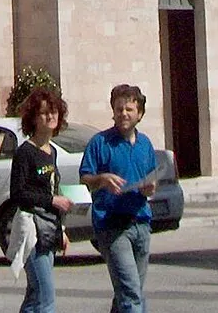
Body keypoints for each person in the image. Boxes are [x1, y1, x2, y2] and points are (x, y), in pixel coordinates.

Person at [79, 84, 158, 313]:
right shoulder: (100, 142)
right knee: (131, 293)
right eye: (119, 109)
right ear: (113, 112)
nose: (124, 113)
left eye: (129, 109)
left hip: (141, 222)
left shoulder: (145, 144)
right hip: (112, 226)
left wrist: (149, 188)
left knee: (129, 292)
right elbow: (85, 177)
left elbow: (151, 179)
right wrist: (102, 179)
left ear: (140, 114)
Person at [7, 86, 73, 313]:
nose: (50, 116)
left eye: (54, 111)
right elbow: (18, 193)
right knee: (46, 298)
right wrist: (51, 200)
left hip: (49, 229)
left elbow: (52, 188)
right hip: (32, 230)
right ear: (34, 118)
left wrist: (60, 230)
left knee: (36, 296)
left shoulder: (51, 151)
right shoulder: (25, 152)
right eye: (44, 112)